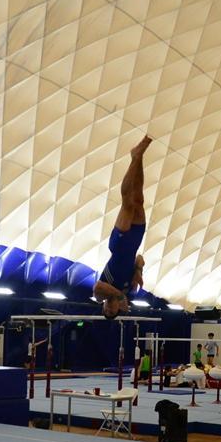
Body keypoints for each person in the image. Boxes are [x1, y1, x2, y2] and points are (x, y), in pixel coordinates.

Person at [94, 135, 152, 319]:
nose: (110, 308)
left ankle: (135, 157)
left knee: (128, 204)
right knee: (139, 199)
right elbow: (140, 258)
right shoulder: (129, 288)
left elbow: (98, 286)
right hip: (134, 241)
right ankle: (139, 156)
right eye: (113, 311)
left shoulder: (101, 295)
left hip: (118, 246)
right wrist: (138, 271)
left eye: (107, 310)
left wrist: (120, 296)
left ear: (104, 306)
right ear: (118, 308)